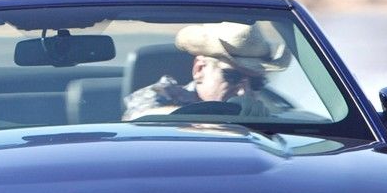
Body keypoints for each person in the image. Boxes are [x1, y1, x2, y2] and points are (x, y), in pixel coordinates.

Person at [123, 21, 291, 119]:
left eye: (256, 82)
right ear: (199, 69)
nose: (243, 92)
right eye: (231, 76)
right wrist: (213, 114)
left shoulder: (262, 110)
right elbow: (137, 117)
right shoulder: (165, 93)